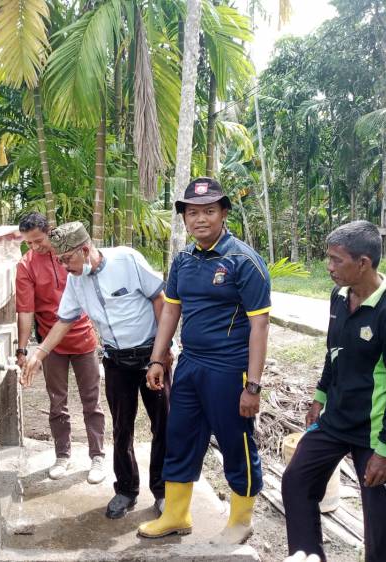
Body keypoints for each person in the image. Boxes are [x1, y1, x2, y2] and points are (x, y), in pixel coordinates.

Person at [137, 177, 271, 545]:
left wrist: (253, 386)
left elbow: (260, 325)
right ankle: (176, 514)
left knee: (235, 442)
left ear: (224, 213)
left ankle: (241, 521)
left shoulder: (243, 260)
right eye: (192, 213)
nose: (200, 219)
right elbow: (170, 312)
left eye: (209, 211)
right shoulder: (183, 261)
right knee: (179, 436)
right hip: (190, 365)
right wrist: (157, 360)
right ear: (184, 218)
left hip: (229, 369)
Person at [281, 220, 386, 562]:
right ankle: (308, 556)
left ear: (363, 263)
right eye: (328, 258)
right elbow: (334, 351)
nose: (328, 267)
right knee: (296, 482)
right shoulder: (339, 297)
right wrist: (320, 396)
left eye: (336, 260)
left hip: (376, 435)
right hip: (335, 421)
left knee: (382, 528)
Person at [22, 222, 171, 519]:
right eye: (60, 260)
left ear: (85, 249)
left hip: (151, 356)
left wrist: (162, 353)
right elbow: (64, 321)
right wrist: (39, 353)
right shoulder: (76, 280)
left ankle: (164, 491)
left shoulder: (127, 260)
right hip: (116, 360)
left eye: (67, 259)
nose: (64, 267)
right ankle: (126, 490)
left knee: (163, 426)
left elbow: (159, 298)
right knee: (122, 428)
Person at [15, 213, 107, 483]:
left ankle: (97, 456)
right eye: (28, 243)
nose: (35, 247)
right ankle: (62, 455)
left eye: (38, 240)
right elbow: (25, 310)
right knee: (57, 402)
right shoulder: (26, 266)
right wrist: (23, 349)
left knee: (92, 401)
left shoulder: (70, 255)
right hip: (51, 344)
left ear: (50, 232)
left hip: (84, 338)